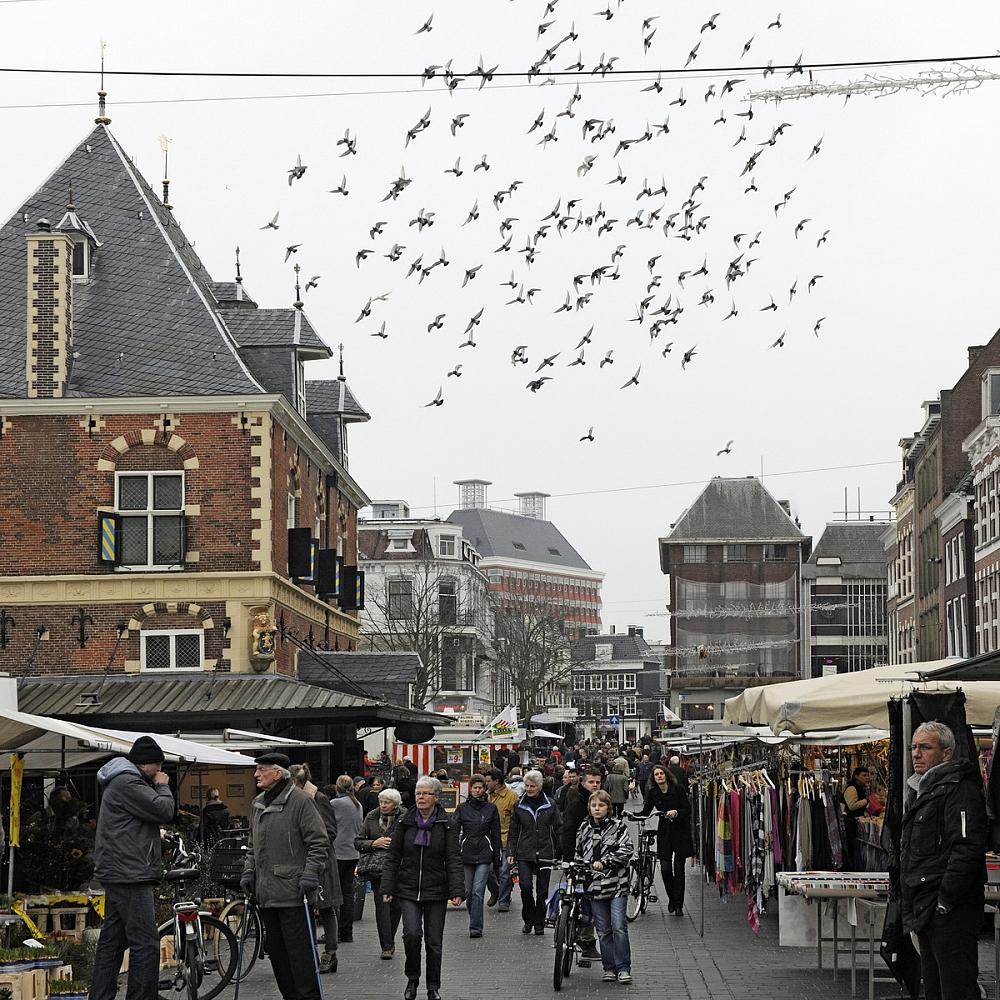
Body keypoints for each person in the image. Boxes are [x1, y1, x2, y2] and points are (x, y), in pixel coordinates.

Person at [900, 721, 987, 1000]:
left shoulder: (959, 789)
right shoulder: (924, 789)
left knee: (956, 988)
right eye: (914, 747)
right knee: (936, 989)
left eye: (925, 747)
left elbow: (967, 848)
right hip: (927, 905)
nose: (916, 753)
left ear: (947, 753)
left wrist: (945, 900)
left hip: (949, 908)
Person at [89, 736, 175, 1000]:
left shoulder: (121, 780)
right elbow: (164, 810)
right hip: (130, 872)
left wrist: (149, 834)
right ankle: (141, 996)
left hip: (119, 869)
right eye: (158, 766)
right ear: (146, 763)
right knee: (146, 942)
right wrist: (163, 788)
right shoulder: (129, 782)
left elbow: (131, 821)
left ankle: (101, 995)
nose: (160, 772)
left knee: (113, 942)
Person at [242, 752, 329, 1000]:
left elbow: (319, 842)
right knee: (277, 953)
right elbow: (252, 844)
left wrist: (310, 873)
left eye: (262, 769)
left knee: (300, 955)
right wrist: (249, 870)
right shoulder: (258, 802)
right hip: (267, 894)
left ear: (278, 773)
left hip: (293, 892)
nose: (256, 774)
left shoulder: (301, 801)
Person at [381, 776, 464, 1000]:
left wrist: (457, 890)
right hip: (407, 888)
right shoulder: (404, 823)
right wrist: (387, 886)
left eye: (426, 793)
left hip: (436, 889)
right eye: (418, 793)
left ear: (436, 797)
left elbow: (454, 859)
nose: (421, 797)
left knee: (434, 941)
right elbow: (393, 857)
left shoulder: (447, 825)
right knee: (411, 934)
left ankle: (433, 986)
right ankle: (412, 978)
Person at [576, 789, 634, 984]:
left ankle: (623, 967)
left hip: (616, 884)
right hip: (593, 886)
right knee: (603, 930)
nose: (597, 808)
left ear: (608, 808)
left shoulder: (618, 827)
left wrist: (606, 861)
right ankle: (609, 967)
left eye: (601, 805)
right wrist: (577, 868)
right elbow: (578, 852)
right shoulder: (584, 827)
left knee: (618, 926)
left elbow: (626, 850)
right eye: (594, 805)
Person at [290, 765, 343, 974]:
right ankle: (310, 952)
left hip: (322, 862)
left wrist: (311, 845)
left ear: (296, 782)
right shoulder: (295, 799)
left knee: (326, 907)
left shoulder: (319, 799)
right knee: (307, 908)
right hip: (302, 862)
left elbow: (330, 831)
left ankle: (330, 953)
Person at [507, 769, 563, 935]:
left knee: (542, 890)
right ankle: (528, 919)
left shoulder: (550, 804)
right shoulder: (519, 805)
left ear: (539, 787)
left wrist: (561, 851)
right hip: (525, 851)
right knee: (525, 887)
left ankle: (539, 922)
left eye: (532, 786)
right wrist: (511, 851)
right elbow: (513, 830)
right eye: (527, 785)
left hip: (545, 851)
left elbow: (559, 828)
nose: (529, 789)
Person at [638, 762, 693, 916]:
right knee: (665, 868)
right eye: (656, 775)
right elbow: (646, 810)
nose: (659, 776)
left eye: (661, 773)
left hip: (680, 831)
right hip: (665, 832)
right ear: (653, 778)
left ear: (666, 775)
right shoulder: (653, 792)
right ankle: (672, 898)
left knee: (679, 869)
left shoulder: (679, 789)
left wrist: (676, 812)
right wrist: (632, 816)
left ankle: (679, 905)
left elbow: (687, 809)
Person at [355, 788, 404, 960]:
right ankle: (387, 945)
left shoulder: (405, 817)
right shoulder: (371, 816)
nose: (382, 805)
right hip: (377, 869)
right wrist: (374, 843)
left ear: (396, 804)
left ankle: (389, 938)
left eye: (386, 802)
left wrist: (397, 845)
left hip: (399, 866)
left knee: (396, 906)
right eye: (381, 802)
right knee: (382, 906)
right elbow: (358, 841)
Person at [561, 766, 603, 962]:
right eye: (591, 782)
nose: (595, 785)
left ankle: (586, 938)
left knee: (590, 899)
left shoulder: (602, 803)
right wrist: (568, 861)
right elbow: (567, 834)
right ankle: (583, 938)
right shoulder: (576, 805)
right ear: (583, 783)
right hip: (579, 859)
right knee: (581, 897)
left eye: (597, 782)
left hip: (597, 861)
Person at [453, 774, 501, 938]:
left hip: (484, 852)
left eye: (480, 787)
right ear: (470, 789)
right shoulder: (462, 808)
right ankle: (474, 915)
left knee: (478, 891)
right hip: (466, 852)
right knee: (468, 892)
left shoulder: (491, 808)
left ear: (484, 789)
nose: (477, 790)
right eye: (475, 787)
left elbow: (496, 833)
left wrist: (497, 859)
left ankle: (476, 927)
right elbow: (454, 830)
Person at [330, 774, 364, 944]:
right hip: (353, 852)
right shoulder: (357, 805)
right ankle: (347, 932)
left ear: (338, 787)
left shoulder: (335, 804)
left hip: (338, 853)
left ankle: (335, 931)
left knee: (334, 893)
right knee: (347, 892)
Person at [484, 768, 518, 913]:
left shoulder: (511, 796)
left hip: (506, 839)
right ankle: (496, 891)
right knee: (488, 870)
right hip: (489, 840)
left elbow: (517, 820)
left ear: (496, 782)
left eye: (488, 781)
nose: (486, 784)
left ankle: (504, 900)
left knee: (504, 871)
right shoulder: (486, 796)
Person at [841, 766, 872, 870]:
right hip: (849, 822)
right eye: (864, 775)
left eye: (868, 775)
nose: (867, 778)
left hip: (855, 822)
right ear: (856, 776)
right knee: (850, 848)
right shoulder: (852, 788)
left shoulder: (860, 788)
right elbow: (852, 805)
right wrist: (867, 800)